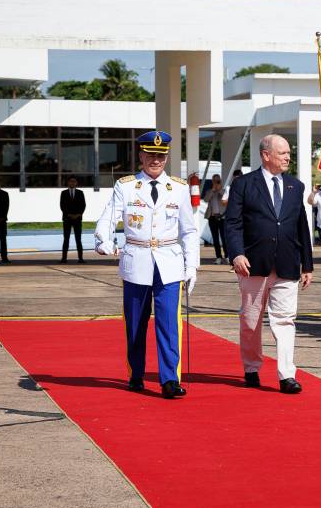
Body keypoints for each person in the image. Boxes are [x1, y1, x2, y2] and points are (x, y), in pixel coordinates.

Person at [93, 130, 199, 399]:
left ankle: (169, 380)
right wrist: (103, 240)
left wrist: (192, 266)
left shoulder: (178, 187)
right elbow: (108, 218)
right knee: (136, 323)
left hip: (169, 262)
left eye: (160, 155)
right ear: (140, 155)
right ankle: (136, 374)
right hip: (136, 260)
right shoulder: (126, 186)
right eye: (150, 155)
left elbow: (188, 230)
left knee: (168, 324)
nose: (156, 160)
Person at [223, 134, 313, 395]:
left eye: (288, 153)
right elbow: (233, 224)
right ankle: (251, 367)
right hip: (253, 264)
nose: (287, 157)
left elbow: (301, 228)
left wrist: (307, 265)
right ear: (266, 155)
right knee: (251, 321)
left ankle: (287, 375)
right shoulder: (243, 184)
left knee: (285, 320)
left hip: (287, 264)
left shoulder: (296, 186)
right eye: (282, 153)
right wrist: (236, 254)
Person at [59, 176, 88, 263]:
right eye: (70, 181)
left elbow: (83, 205)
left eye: (74, 181)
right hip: (67, 219)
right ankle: (64, 258)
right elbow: (62, 205)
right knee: (66, 239)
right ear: (68, 183)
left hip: (77, 219)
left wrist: (78, 214)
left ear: (76, 183)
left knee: (78, 239)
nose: (72, 183)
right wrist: (69, 214)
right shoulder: (63, 193)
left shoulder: (80, 193)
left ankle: (80, 258)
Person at [203, 174, 227, 264]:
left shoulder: (224, 191)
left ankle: (227, 256)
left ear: (220, 181)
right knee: (215, 238)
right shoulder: (210, 191)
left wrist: (220, 189)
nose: (216, 182)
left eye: (218, 180)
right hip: (212, 217)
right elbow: (205, 199)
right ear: (212, 181)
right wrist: (213, 190)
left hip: (222, 217)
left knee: (224, 238)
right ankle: (218, 257)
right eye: (214, 180)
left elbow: (225, 199)